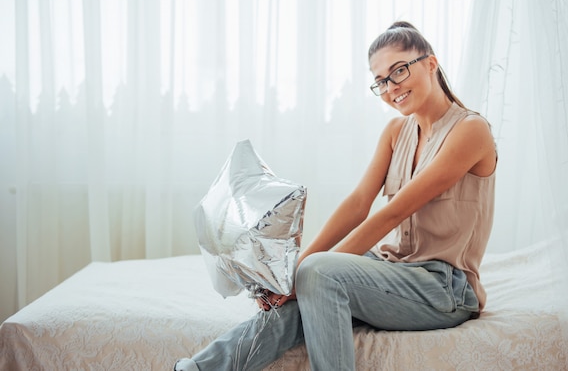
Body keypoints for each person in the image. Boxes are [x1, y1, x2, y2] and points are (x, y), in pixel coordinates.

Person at [174, 21, 497, 371]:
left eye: (399, 71)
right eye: (381, 81)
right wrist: (290, 276)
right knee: (302, 295)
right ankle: (199, 369)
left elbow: (389, 215)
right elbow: (358, 204)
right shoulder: (395, 131)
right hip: (391, 270)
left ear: (430, 64)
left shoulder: (470, 131)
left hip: (443, 289)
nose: (392, 88)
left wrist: (305, 275)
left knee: (318, 275)